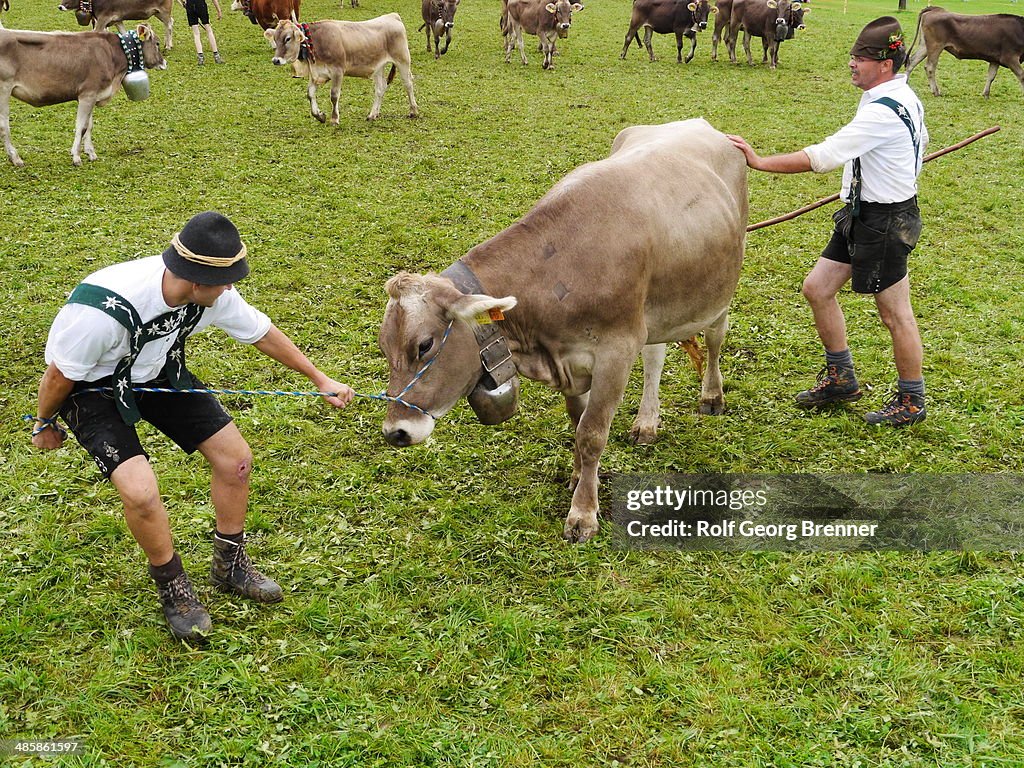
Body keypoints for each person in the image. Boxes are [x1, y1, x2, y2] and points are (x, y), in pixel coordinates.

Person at [30, 211, 354, 643]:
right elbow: (59, 376)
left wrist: (320, 379)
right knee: (141, 492)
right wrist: (43, 423)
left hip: (157, 374)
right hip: (92, 387)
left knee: (236, 460)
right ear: (195, 280)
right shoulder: (102, 310)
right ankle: (173, 587)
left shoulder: (212, 294)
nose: (231, 289)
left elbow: (261, 332)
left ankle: (230, 563)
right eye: (225, 282)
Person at [727, 16, 929, 427]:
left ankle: (912, 401)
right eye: (853, 56)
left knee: (895, 314)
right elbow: (918, 144)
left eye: (860, 58)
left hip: (885, 220)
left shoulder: (883, 111)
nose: (852, 64)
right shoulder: (898, 95)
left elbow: (822, 156)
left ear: (884, 64)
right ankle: (842, 378)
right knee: (817, 289)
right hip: (862, 211)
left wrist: (759, 161)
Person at [181, 0, 224, 65]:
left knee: (196, 33)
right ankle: (216, 56)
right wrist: (219, 11)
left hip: (190, 6)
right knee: (209, 30)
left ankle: (200, 57)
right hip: (201, 5)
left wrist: (184, 2)